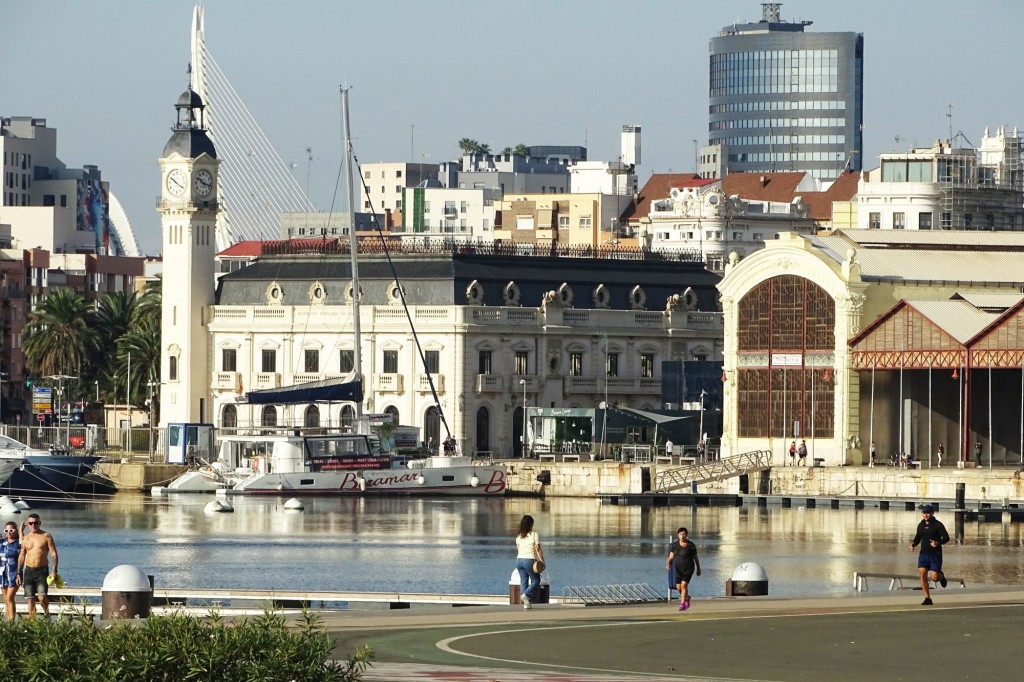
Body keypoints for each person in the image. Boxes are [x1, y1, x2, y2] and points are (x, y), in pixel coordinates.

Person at [17, 513, 58, 619]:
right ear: (28, 524)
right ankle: (32, 623)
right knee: (30, 599)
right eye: (31, 523)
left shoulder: (46, 536)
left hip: (42, 571)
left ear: (39, 523)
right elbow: (22, 556)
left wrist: (54, 570)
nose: (33, 525)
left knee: (41, 597)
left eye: (36, 523)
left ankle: (46, 612)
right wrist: (19, 573)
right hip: (29, 571)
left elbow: (54, 553)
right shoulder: (26, 538)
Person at [909, 504, 949, 606]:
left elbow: (946, 537)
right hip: (924, 554)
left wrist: (937, 543)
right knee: (922, 574)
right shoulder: (921, 525)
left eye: (928, 513)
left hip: (935, 554)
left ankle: (941, 576)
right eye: (924, 513)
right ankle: (927, 598)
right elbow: (918, 537)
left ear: (932, 513)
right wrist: (913, 544)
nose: (926, 515)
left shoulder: (938, 525)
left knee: (934, 578)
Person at [665, 527, 701, 611]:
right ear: (678, 535)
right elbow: (671, 556)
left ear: (687, 535)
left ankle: (682, 604)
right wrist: (668, 563)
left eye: (684, 534)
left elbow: (695, 558)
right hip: (678, 569)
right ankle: (687, 597)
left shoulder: (691, 545)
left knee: (684, 585)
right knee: (678, 587)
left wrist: (698, 568)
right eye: (681, 534)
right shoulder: (675, 545)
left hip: (688, 568)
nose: (682, 536)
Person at [514, 515, 544, 609]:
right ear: (531, 524)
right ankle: (526, 595)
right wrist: (542, 561)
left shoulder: (519, 536)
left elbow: (518, 549)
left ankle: (526, 604)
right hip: (529, 559)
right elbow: (538, 549)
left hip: (519, 561)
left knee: (524, 581)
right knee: (536, 580)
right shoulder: (534, 534)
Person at [1, 522, 20, 621]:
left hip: (13, 574)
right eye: (6, 530)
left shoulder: (18, 544)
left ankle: (12, 623)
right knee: (6, 600)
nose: (9, 532)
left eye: (11, 530)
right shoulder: (2, 542)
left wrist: (19, 574)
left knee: (10, 598)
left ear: (15, 531)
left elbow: (22, 560)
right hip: (3, 574)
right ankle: (9, 621)